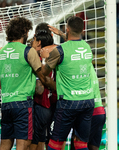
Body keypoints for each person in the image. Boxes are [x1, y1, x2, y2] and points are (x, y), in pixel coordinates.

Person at [0, 17, 55, 150]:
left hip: (6, 102)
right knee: (23, 144)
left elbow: (0, 82)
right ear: (25, 32)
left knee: (5, 143)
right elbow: (43, 77)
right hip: (23, 104)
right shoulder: (28, 51)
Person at [41, 16, 95, 150]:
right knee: (81, 143)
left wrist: (44, 58)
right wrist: (62, 34)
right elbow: (74, 43)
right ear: (82, 30)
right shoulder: (87, 47)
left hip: (68, 102)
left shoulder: (59, 51)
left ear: (67, 28)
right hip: (88, 100)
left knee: (55, 144)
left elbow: (44, 72)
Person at [29, 22, 57, 150]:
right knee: (46, 141)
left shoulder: (37, 57)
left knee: (32, 143)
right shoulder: (57, 53)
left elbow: (39, 89)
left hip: (40, 105)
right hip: (52, 104)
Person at [69, 66, 106, 150]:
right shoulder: (88, 66)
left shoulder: (76, 68)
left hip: (88, 113)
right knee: (93, 147)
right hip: (100, 111)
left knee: (78, 146)